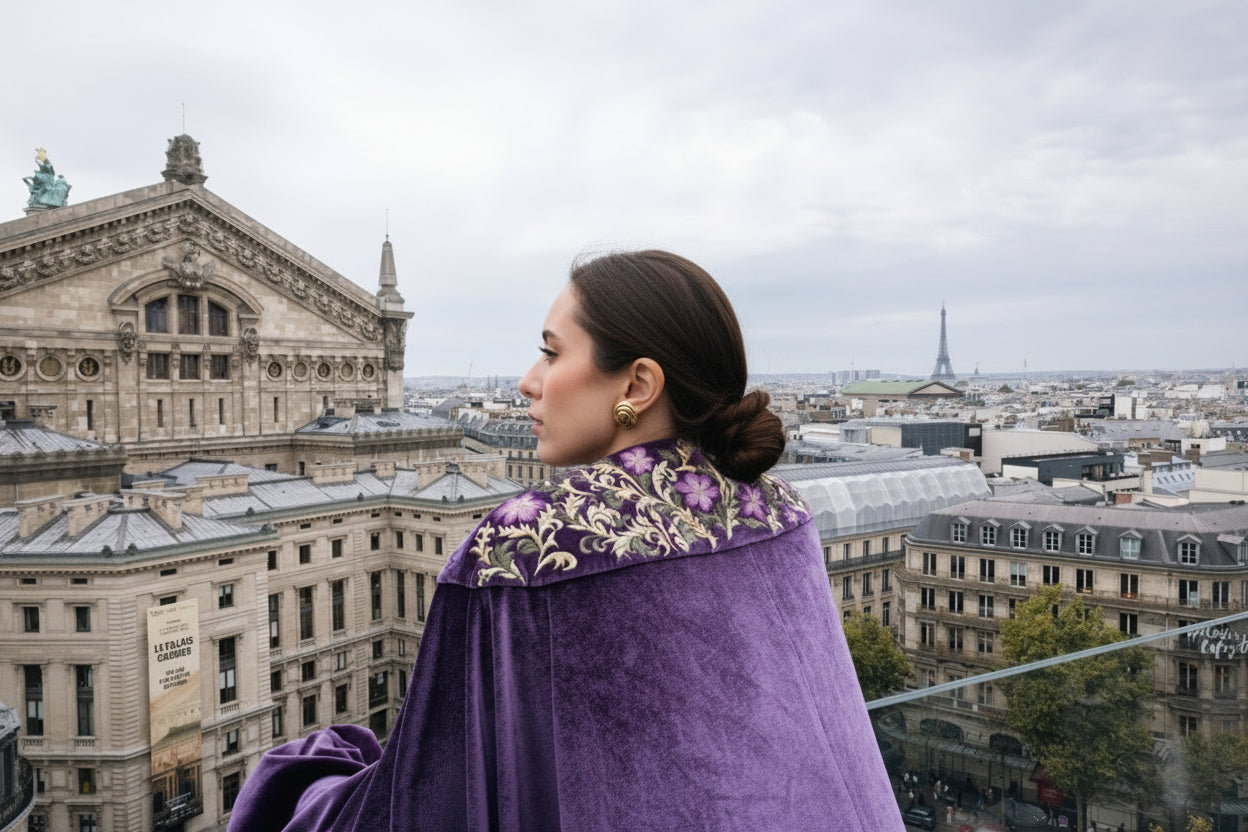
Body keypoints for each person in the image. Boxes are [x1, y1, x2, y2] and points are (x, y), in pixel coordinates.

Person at [227, 250, 903, 831]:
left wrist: (300, 780)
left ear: (637, 384)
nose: (528, 380)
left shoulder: (529, 545)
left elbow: (425, 799)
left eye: (551, 352)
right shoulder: (779, 506)